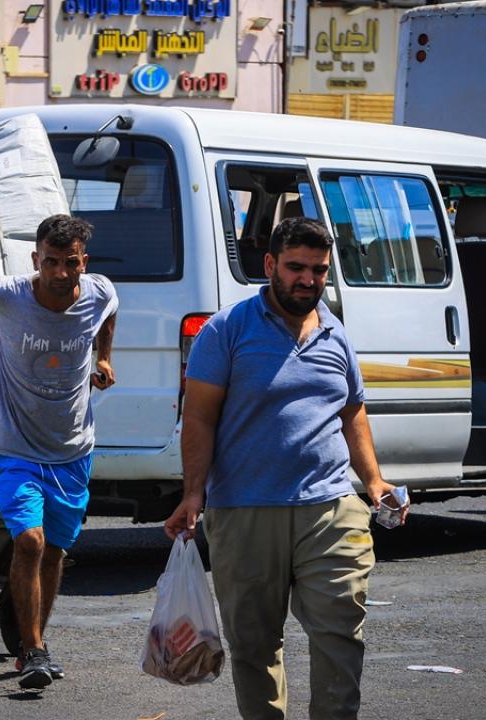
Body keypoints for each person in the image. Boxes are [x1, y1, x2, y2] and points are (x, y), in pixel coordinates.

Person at [163, 217, 407, 720]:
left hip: (331, 509)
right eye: (297, 268)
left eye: (318, 271)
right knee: (255, 645)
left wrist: (374, 480)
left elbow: (352, 410)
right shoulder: (227, 330)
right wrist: (193, 494)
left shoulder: (336, 334)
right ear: (271, 265)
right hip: (246, 509)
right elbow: (199, 417)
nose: (308, 280)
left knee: (341, 631)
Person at [0, 214, 118, 690]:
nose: (61, 274)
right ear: (36, 259)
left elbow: (111, 311)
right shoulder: (8, 296)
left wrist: (104, 357)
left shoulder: (99, 293)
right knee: (31, 541)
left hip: (72, 449)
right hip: (13, 446)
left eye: (70, 263)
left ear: (83, 262)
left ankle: (36, 639)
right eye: (51, 262)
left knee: (57, 552)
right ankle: (32, 651)